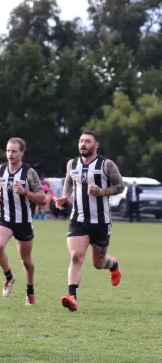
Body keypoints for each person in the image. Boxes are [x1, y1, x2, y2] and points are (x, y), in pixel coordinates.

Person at [56, 130, 123, 312]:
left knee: (98, 263)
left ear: (96, 145)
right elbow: (70, 181)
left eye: (87, 141)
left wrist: (101, 191)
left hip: (101, 222)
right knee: (76, 256)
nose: (83, 144)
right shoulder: (73, 163)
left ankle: (113, 264)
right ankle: (72, 296)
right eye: (81, 141)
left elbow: (120, 186)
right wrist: (64, 196)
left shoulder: (106, 165)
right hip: (78, 219)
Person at [0, 137, 45, 306]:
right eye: (8, 151)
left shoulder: (29, 173)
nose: (10, 154)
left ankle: (30, 291)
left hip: (23, 221)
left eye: (14, 151)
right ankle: (9, 276)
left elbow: (42, 198)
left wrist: (26, 192)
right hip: (4, 217)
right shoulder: (0, 170)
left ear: (22, 153)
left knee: (26, 260)